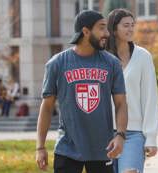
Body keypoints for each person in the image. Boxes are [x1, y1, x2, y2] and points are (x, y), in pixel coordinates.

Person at [35, 10, 128, 173]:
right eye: (101, 28)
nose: (106, 33)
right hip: (67, 149)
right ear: (85, 32)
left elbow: (121, 104)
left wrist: (120, 135)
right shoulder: (57, 63)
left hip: (103, 148)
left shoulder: (112, 63)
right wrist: (40, 147)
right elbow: (47, 107)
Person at [105, 9, 158, 173]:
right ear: (114, 29)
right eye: (125, 25)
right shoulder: (102, 57)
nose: (130, 29)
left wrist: (151, 137)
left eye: (132, 25)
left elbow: (150, 98)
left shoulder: (143, 56)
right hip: (104, 132)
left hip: (133, 134)